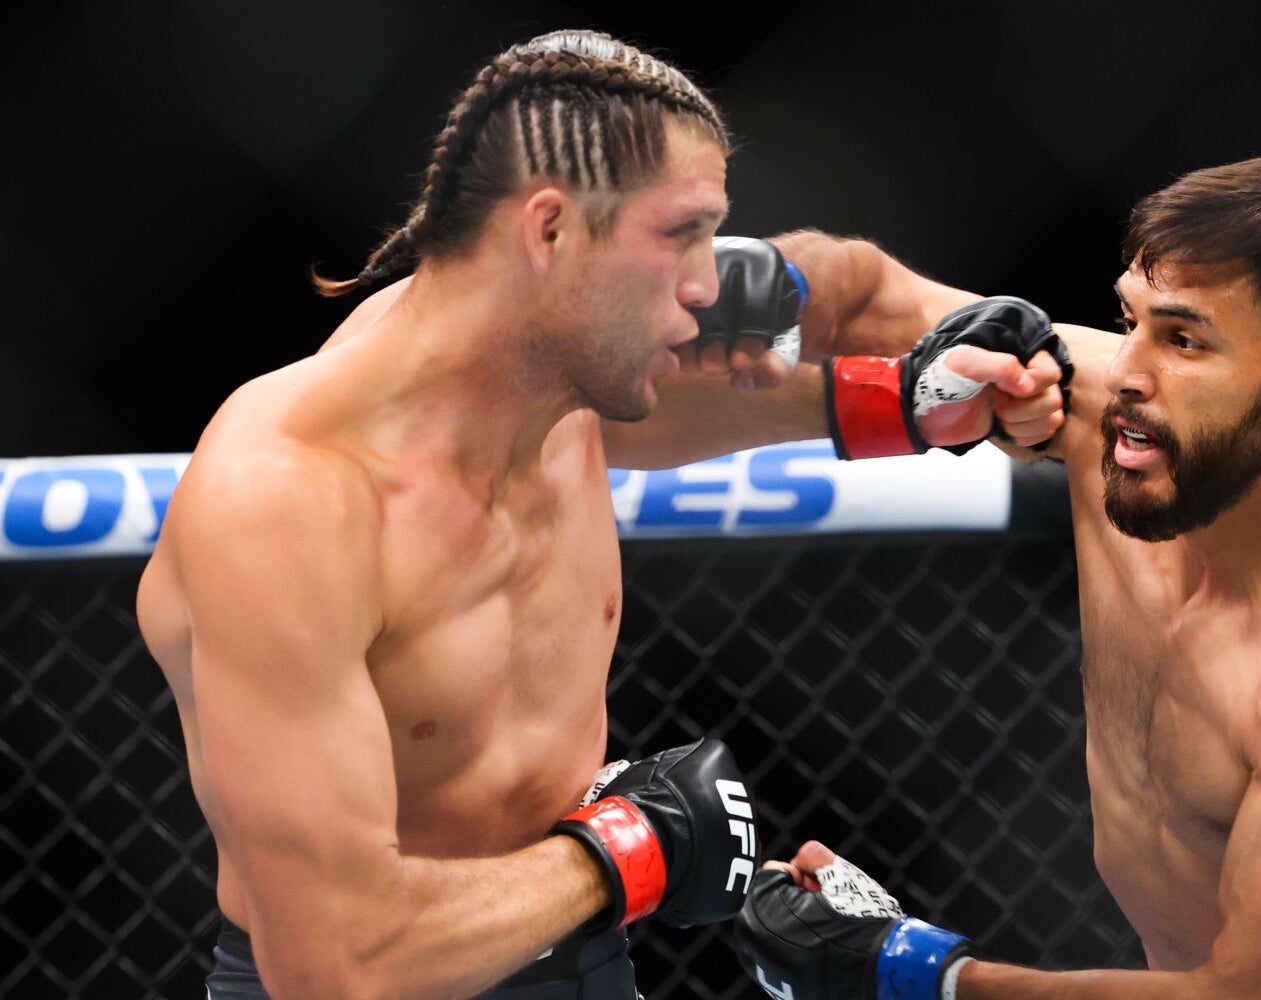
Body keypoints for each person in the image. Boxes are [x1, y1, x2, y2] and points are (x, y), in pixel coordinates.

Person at [134, 29, 1065, 1000]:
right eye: (680, 235)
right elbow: (334, 966)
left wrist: (899, 399)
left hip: (581, 961)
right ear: (549, 232)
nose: (704, 284)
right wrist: (631, 846)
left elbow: (661, 394)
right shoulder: (289, 502)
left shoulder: (544, 369)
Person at [727, 153, 1261, 999]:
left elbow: (1255, 995)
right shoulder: (1119, 412)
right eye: (1128, 319)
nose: (1127, 372)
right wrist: (753, 286)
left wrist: (912, 972)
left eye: (1183, 339)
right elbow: (869, 293)